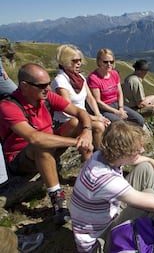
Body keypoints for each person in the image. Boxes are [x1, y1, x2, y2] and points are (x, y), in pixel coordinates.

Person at [0, 63, 94, 225]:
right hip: (21, 159)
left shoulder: (46, 96)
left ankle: (91, 177)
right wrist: (76, 142)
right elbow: (34, 138)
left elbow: (80, 112)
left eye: (48, 83)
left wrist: (86, 131)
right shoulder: (8, 106)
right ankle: (58, 201)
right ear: (24, 85)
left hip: (49, 144)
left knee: (75, 122)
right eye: (42, 85)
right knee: (40, 145)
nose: (48, 88)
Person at [70, 120, 154, 252]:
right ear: (122, 152)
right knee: (151, 196)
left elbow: (148, 160)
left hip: (108, 215)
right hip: (99, 241)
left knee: (145, 168)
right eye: (137, 149)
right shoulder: (106, 179)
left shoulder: (102, 156)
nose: (142, 150)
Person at [52, 44, 110, 160]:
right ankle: (95, 160)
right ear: (65, 62)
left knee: (100, 125)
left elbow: (90, 98)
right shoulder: (60, 82)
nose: (78, 63)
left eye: (79, 60)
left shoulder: (80, 78)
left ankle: (98, 157)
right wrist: (94, 118)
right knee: (96, 125)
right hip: (66, 121)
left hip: (82, 118)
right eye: (74, 61)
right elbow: (69, 110)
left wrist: (98, 114)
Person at [87, 48, 145, 127]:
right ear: (99, 62)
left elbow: (120, 93)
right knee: (120, 124)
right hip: (104, 108)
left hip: (117, 104)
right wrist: (116, 112)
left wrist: (120, 108)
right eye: (105, 62)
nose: (109, 64)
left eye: (111, 62)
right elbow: (98, 101)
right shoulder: (93, 78)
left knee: (139, 120)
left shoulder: (114, 74)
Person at [122, 59, 154, 131]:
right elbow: (140, 104)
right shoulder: (136, 82)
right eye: (145, 71)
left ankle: (153, 120)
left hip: (128, 104)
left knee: (153, 98)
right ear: (140, 71)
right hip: (133, 109)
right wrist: (152, 106)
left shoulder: (130, 77)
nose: (146, 73)